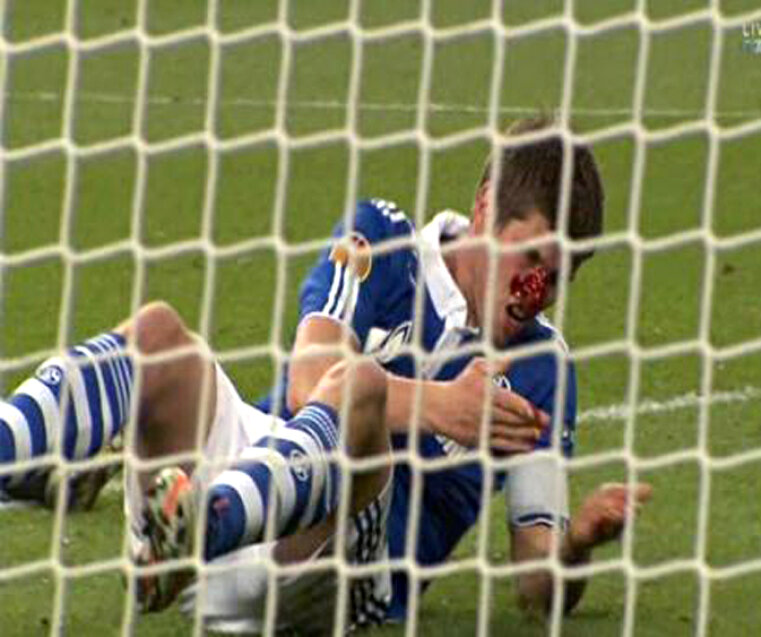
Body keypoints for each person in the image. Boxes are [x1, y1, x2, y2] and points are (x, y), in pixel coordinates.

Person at [0, 117, 650, 632]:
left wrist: (581, 541)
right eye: (532, 257)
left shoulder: (542, 370)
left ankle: (198, 529)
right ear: (485, 209)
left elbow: (538, 583)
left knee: (362, 383)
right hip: (254, 478)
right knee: (158, 334)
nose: (539, 289)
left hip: (339, 576)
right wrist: (439, 405)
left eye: (561, 275)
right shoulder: (381, 242)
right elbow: (308, 379)